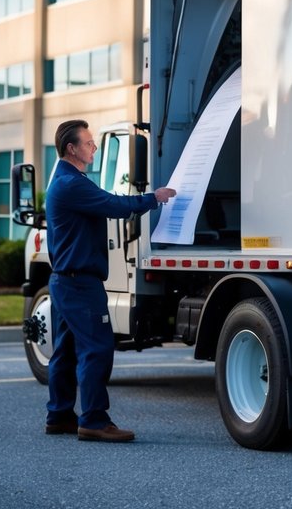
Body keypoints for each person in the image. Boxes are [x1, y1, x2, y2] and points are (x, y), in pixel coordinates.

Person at [44, 119, 176, 442]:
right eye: (88, 143)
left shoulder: (65, 181)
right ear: (72, 149)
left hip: (66, 281)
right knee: (97, 348)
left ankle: (59, 415)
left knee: (66, 349)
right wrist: (153, 198)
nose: (94, 147)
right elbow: (113, 205)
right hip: (79, 284)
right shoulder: (72, 184)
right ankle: (93, 420)